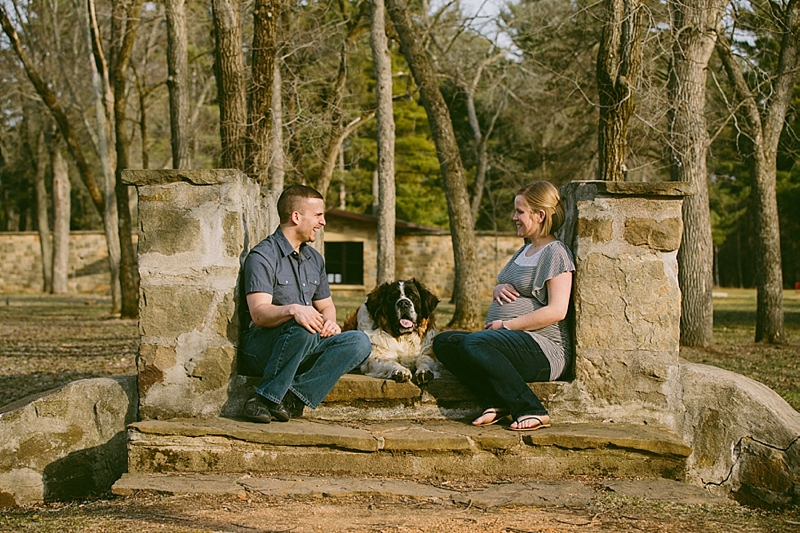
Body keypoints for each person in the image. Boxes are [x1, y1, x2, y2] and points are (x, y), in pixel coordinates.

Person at [433, 181, 574, 431]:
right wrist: (498, 289)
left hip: (545, 350)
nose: (514, 217)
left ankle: (531, 409)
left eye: (520, 211)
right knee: (445, 342)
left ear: (540, 215)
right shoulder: (525, 250)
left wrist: (506, 325)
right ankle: (496, 402)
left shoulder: (556, 253)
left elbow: (557, 310)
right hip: (513, 342)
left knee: (476, 342)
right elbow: (509, 285)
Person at [239, 184, 371, 423]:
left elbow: (326, 306)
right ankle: (264, 398)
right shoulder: (263, 257)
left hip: (304, 344)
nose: (323, 223)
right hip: (263, 349)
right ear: (296, 216)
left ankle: (292, 399)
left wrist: (330, 322)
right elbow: (258, 314)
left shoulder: (314, 259)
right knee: (302, 327)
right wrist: (294, 310)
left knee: (359, 341)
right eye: (318, 215)